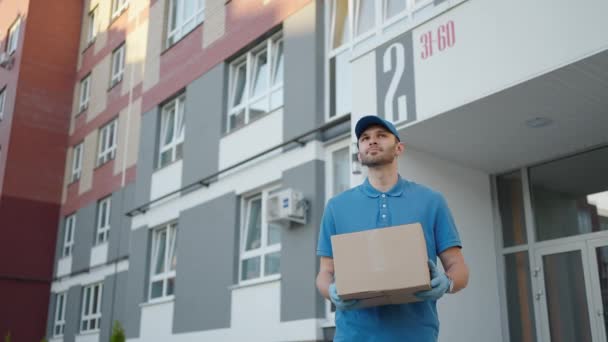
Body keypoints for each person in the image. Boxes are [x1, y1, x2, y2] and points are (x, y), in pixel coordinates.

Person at [316, 115, 469, 341]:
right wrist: (330, 291)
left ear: (399, 147)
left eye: (381, 135)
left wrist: (447, 283)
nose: (372, 141)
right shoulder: (336, 207)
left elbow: (458, 267)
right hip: (353, 335)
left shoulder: (431, 201)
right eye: (365, 138)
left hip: (417, 335)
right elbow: (325, 272)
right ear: (359, 154)